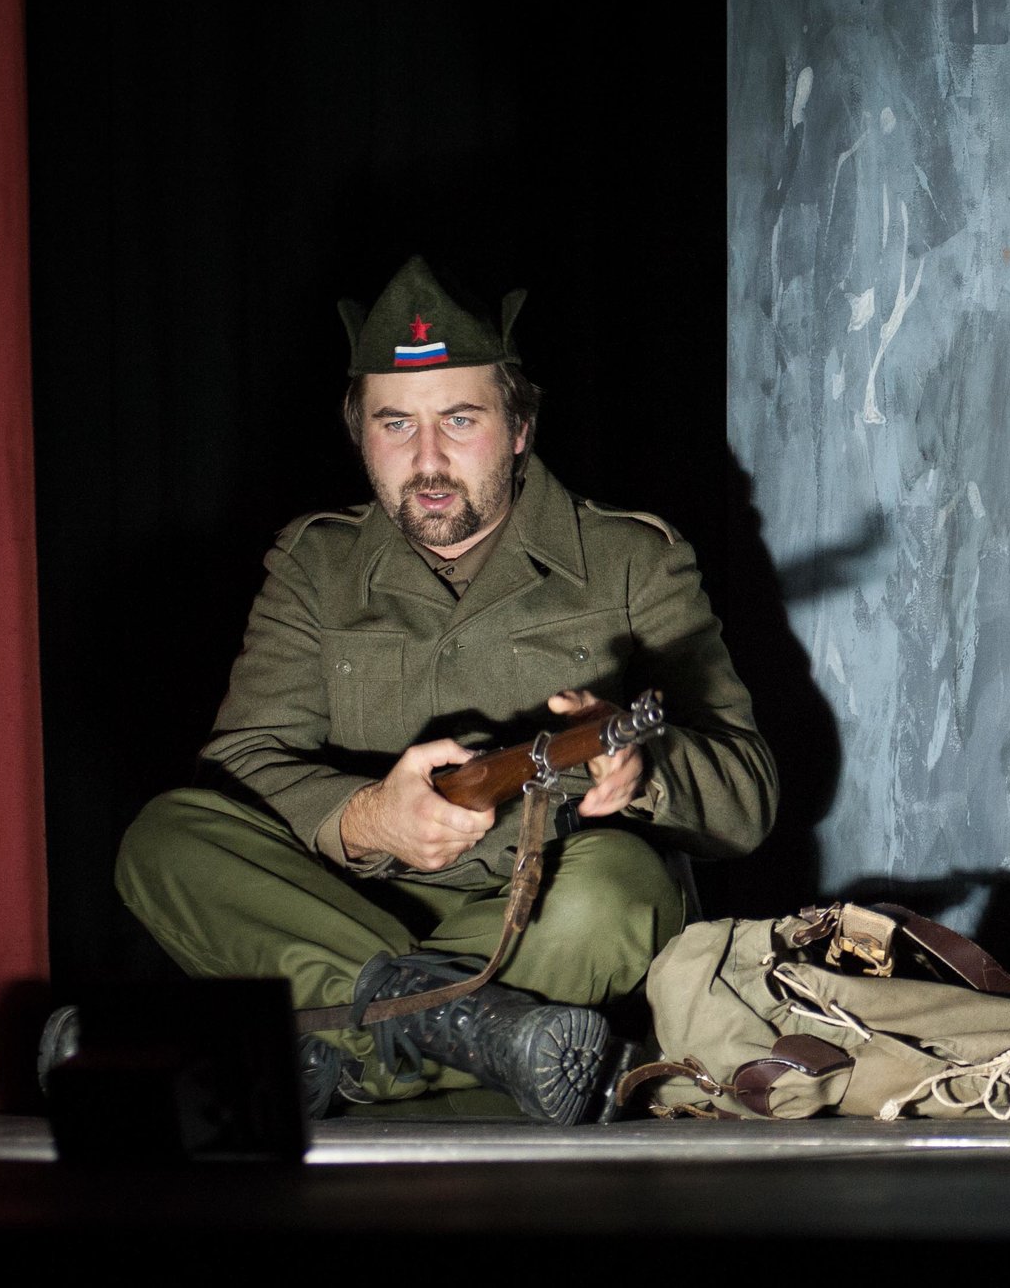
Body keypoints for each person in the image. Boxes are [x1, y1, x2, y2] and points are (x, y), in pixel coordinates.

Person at [93, 257, 778, 1125]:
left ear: (519, 426)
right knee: (163, 837)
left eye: (460, 419)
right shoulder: (315, 566)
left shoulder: (632, 559)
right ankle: (476, 1036)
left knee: (623, 890)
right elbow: (242, 764)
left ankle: (323, 1056)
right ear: (359, 433)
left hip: (541, 908)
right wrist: (364, 817)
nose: (427, 460)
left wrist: (648, 771)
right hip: (347, 905)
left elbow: (749, 798)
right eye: (395, 424)